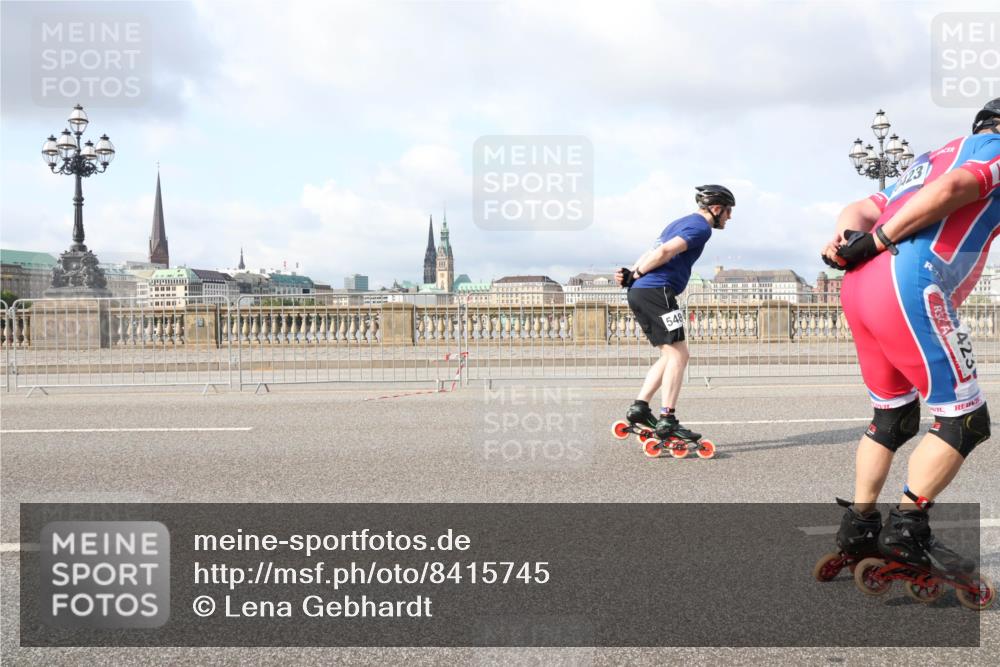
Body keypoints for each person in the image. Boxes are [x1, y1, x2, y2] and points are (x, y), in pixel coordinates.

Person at [821, 98, 1000, 572]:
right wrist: (882, 239)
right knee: (965, 420)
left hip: (859, 285)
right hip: (910, 281)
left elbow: (859, 206)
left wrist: (847, 240)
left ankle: (859, 527)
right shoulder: (993, 150)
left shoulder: (925, 160)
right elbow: (961, 187)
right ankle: (907, 529)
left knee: (893, 417)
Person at [615, 184, 734, 448]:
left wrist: (631, 273)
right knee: (680, 354)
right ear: (716, 208)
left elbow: (652, 250)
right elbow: (664, 252)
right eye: (728, 211)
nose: (729, 217)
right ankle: (668, 418)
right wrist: (635, 274)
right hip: (658, 291)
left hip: (641, 293)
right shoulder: (700, 228)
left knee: (670, 354)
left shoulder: (679, 222)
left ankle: (640, 407)